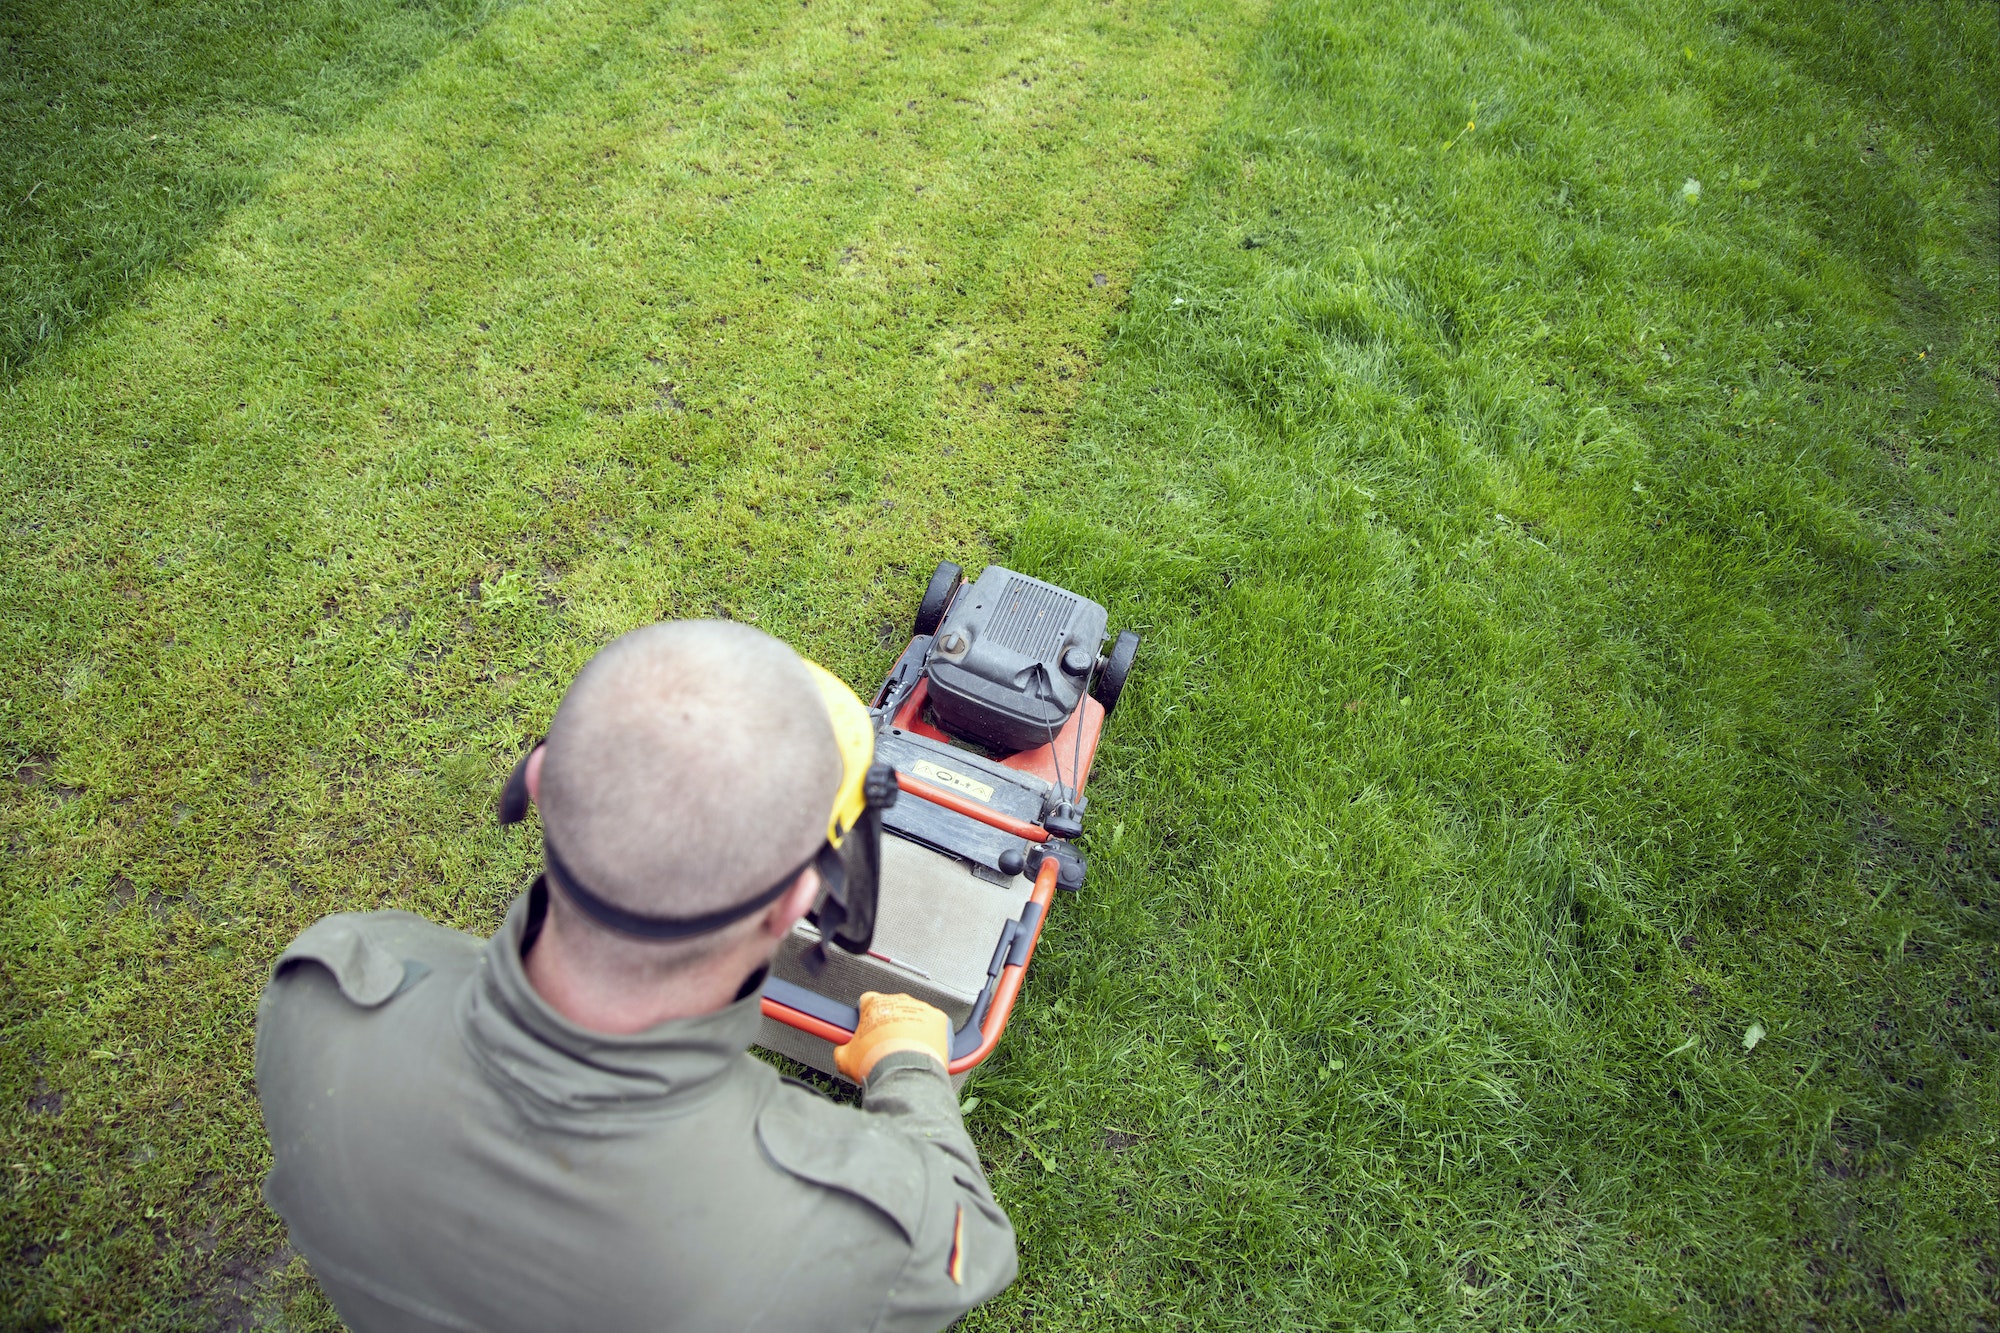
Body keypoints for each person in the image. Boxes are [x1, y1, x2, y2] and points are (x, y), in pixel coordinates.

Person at [255, 620, 1019, 1331]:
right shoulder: (858, 1217)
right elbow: (973, 1242)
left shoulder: (324, 988)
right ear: (796, 899)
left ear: (544, 781)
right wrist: (912, 1067)